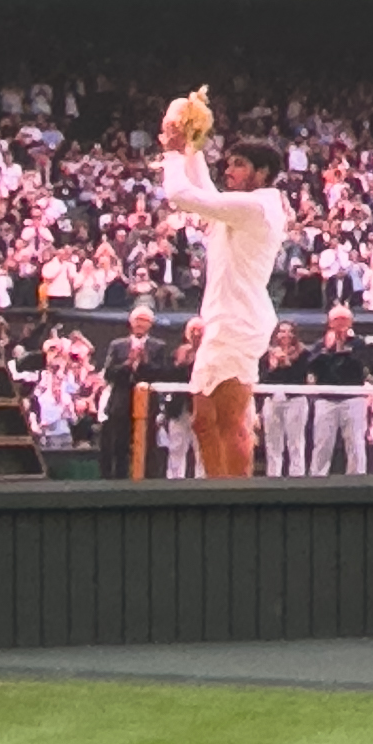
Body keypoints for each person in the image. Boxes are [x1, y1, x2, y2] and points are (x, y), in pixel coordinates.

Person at [152, 85, 284, 483]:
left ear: (262, 173)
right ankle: (215, 493)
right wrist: (193, 146)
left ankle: (236, 501)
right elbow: (205, 192)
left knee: (230, 420)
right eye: (228, 163)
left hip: (239, 322)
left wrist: (175, 149)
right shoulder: (240, 209)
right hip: (225, 321)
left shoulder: (259, 205)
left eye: (239, 165)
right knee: (204, 422)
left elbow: (181, 195)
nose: (228, 171)